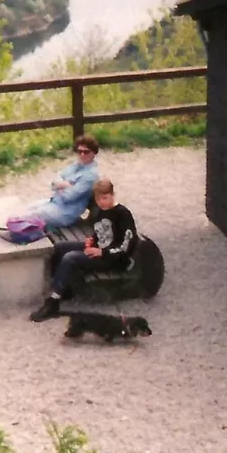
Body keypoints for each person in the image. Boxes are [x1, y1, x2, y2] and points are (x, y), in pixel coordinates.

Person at [31, 177, 137, 322]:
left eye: (105, 198)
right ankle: (64, 289)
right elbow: (100, 232)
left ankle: (53, 302)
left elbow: (126, 245)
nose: (102, 202)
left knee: (70, 257)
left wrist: (101, 252)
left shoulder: (123, 214)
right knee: (60, 248)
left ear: (112, 195)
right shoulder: (101, 210)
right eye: (98, 199)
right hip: (99, 249)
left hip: (113, 259)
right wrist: (92, 240)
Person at [24, 134, 101, 229]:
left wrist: (59, 186)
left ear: (94, 153)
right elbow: (54, 182)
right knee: (27, 208)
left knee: (31, 215)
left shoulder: (91, 175)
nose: (82, 155)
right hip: (55, 203)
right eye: (79, 151)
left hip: (66, 213)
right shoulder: (76, 165)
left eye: (86, 152)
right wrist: (66, 185)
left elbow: (68, 197)